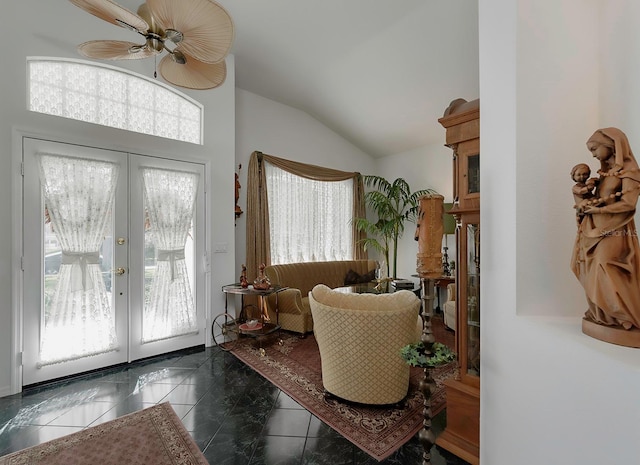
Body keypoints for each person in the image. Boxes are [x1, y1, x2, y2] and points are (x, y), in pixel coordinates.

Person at [571, 127, 640, 331]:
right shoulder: (603, 173)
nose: (592, 155)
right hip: (594, 229)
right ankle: (602, 315)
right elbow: (600, 198)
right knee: (589, 267)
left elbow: (629, 204)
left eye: (594, 149)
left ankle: (624, 316)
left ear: (611, 145)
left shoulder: (630, 172)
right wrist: (585, 203)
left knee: (605, 265)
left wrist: (597, 211)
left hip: (616, 229)